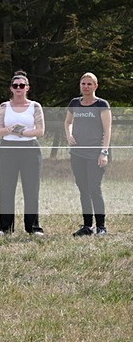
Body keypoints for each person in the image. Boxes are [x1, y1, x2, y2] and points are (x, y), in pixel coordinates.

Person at [0, 71, 46, 235]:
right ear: (11, 88)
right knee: (6, 189)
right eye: (15, 86)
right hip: (7, 150)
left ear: (27, 88)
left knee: (31, 189)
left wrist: (22, 132)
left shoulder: (35, 106)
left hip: (30, 149)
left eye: (22, 86)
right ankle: (5, 227)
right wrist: (9, 129)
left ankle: (33, 227)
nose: (18, 88)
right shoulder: (4, 107)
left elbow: (40, 130)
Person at [64, 72, 112, 236]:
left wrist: (104, 153)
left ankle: (101, 226)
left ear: (95, 86)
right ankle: (87, 226)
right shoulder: (75, 103)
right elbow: (68, 122)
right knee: (83, 189)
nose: (86, 87)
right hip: (77, 154)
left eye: (89, 84)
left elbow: (107, 131)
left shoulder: (102, 104)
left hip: (96, 153)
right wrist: (69, 135)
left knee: (94, 188)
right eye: (83, 83)